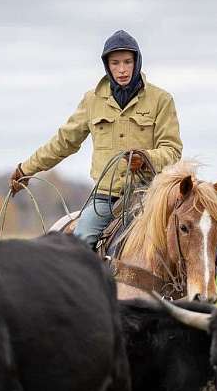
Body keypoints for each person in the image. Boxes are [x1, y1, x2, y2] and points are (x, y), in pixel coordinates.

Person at [10, 30, 183, 249]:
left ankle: (200, 283)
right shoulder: (92, 100)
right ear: (107, 65)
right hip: (104, 199)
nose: (122, 69)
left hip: (150, 195)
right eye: (115, 63)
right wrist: (27, 169)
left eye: (128, 62)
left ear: (137, 62)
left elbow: (172, 150)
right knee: (80, 247)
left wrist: (146, 158)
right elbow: (64, 141)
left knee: (193, 242)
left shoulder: (161, 100)